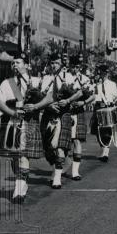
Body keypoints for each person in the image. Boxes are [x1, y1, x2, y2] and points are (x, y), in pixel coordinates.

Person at [0, 54, 52, 202]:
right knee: (15, 158)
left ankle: (19, 189)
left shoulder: (36, 81)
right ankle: (22, 182)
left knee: (23, 156)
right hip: (11, 122)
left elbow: (50, 97)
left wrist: (36, 106)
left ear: (27, 65)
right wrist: (13, 113)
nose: (15, 65)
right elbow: (0, 103)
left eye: (18, 62)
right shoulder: (6, 83)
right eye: (13, 63)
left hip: (29, 121)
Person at [40, 54, 79, 189]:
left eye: (56, 63)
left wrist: (68, 100)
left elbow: (79, 93)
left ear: (61, 64)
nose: (54, 65)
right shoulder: (45, 79)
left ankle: (57, 178)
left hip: (64, 114)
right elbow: (41, 96)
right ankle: (61, 166)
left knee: (60, 147)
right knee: (48, 147)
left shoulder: (67, 77)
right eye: (52, 63)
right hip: (48, 114)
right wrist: (47, 105)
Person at [68, 58, 95, 179]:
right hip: (65, 110)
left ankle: (75, 171)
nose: (75, 69)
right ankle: (60, 167)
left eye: (77, 66)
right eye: (73, 66)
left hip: (78, 110)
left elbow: (93, 95)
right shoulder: (65, 77)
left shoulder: (85, 79)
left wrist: (83, 102)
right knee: (61, 142)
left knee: (77, 140)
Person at [90, 64, 117, 162]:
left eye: (105, 73)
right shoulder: (96, 85)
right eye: (102, 73)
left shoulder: (112, 84)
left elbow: (116, 96)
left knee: (107, 130)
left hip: (108, 107)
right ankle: (103, 149)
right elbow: (93, 97)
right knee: (96, 130)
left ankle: (105, 152)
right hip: (98, 108)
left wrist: (114, 101)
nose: (103, 75)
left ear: (107, 74)